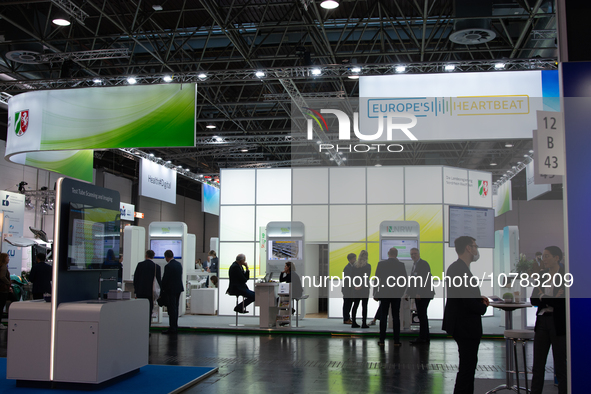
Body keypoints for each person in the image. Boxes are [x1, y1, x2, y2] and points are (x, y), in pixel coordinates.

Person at [442, 236, 489, 394]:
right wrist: (482, 307)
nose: (476, 249)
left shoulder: (458, 268)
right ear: (468, 248)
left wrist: (478, 299)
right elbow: (466, 300)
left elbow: (464, 295)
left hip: (463, 324)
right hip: (465, 326)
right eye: (474, 246)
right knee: (467, 368)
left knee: (468, 367)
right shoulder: (459, 269)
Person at [530, 246, 567, 394]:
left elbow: (561, 302)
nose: (543, 259)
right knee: (538, 365)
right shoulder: (542, 275)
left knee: (560, 365)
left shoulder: (565, 275)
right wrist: (548, 298)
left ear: (556, 257)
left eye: (547, 256)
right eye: (543, 256)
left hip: (558, 323)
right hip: (542, 322)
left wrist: (542, 296)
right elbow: (533, 299)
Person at [374, 247, 407, 346]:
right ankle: (396, 340)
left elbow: (377, 280)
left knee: (383, 316)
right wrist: (400, 292)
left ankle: (382, 340)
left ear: (388, 253)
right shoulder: (401, 265)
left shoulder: (381, 264)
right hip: (396, 294)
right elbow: (404, 281)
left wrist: (375, 293)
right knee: (396, 316)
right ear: (396, 254)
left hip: (384, 293)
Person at [406, 248, 435, 345]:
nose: (413, 255)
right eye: (411, 254)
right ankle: (425, 337)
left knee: (422, 315)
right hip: (419, 294)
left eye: (414, 253)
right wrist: (408, 293)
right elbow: (412, 281)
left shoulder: (423, 264)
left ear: (418, 254)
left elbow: (424, 279)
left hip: (424, 294)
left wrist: (419, 293)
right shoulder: (415, 265)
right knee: (422, 316)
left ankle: (423, 338)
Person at [133, 250, 162, 328]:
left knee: (140, 311)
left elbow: (136, 279)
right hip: (151, 293)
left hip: (140, 292)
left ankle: (140, 328)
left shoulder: (140, 265)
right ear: (153, 256)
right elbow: (159, 281)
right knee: (149, 311)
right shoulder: (157, 267)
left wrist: (136, 291)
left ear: (146, 255)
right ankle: (147, 328)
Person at [161, 250, 184, 334]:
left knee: (171, 309)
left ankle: (172, 327)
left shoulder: (168, 266)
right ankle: (175, 326)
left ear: (166, 257)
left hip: (171, 290)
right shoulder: (179, 264)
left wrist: (161, 288)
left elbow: (165, 279)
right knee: (176, 308)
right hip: (178, 289)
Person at [350, 250, 371, 329]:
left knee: (355, 305)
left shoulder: (355, 266)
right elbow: (366, 277)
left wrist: (356, 285)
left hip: (356, 288)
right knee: (364, 305)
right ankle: (364, 323)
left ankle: (354, 322)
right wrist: (362, 285)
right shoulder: (368, 266)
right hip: (364, 288)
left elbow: (352, 277)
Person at [0, 253, 14, 330]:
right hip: (3, 290)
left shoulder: (2, 266)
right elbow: (2, 276)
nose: (8, 259)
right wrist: (8, 283)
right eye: (7, 257)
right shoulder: (4, 267)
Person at [342, 253, 356, 324]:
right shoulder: (347, 268)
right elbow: (347, 280)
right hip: (347, 289)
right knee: (347, 304)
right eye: (354, 259)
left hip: (350, 289)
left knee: (349, 303)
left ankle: (347, 317)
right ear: (350, 260)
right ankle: (346, 319)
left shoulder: (352, 267)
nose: (355, 260)